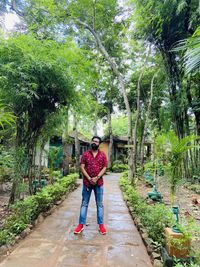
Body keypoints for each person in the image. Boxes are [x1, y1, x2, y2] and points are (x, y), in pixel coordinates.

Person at [74, 136, 108, 235]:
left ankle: (101, 225)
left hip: (99, 183)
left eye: (96, 141)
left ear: (99, 144)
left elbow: (105, 167)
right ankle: (80, 225)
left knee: (100, 204)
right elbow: (82, 167)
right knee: (84, 203)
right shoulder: (85, 154)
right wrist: (89, 178)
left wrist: (97, 177)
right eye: (93, 141)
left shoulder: (102, 155)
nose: (94, 142)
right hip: (87, 183)